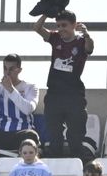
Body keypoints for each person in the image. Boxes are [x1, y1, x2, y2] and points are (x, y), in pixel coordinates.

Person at [32, 10, 95, 159]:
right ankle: (55, 164)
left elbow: (90, 48)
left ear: (74, 25)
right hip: (54, 94)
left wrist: (87, 35)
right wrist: (47, 11)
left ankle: (78, 165)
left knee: (75, 136)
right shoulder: (55, 38)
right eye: (58, 25)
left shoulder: (81, 41)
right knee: (54, 135)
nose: (61, 29)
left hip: (74, 95)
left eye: (64, 25)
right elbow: (37, 28)